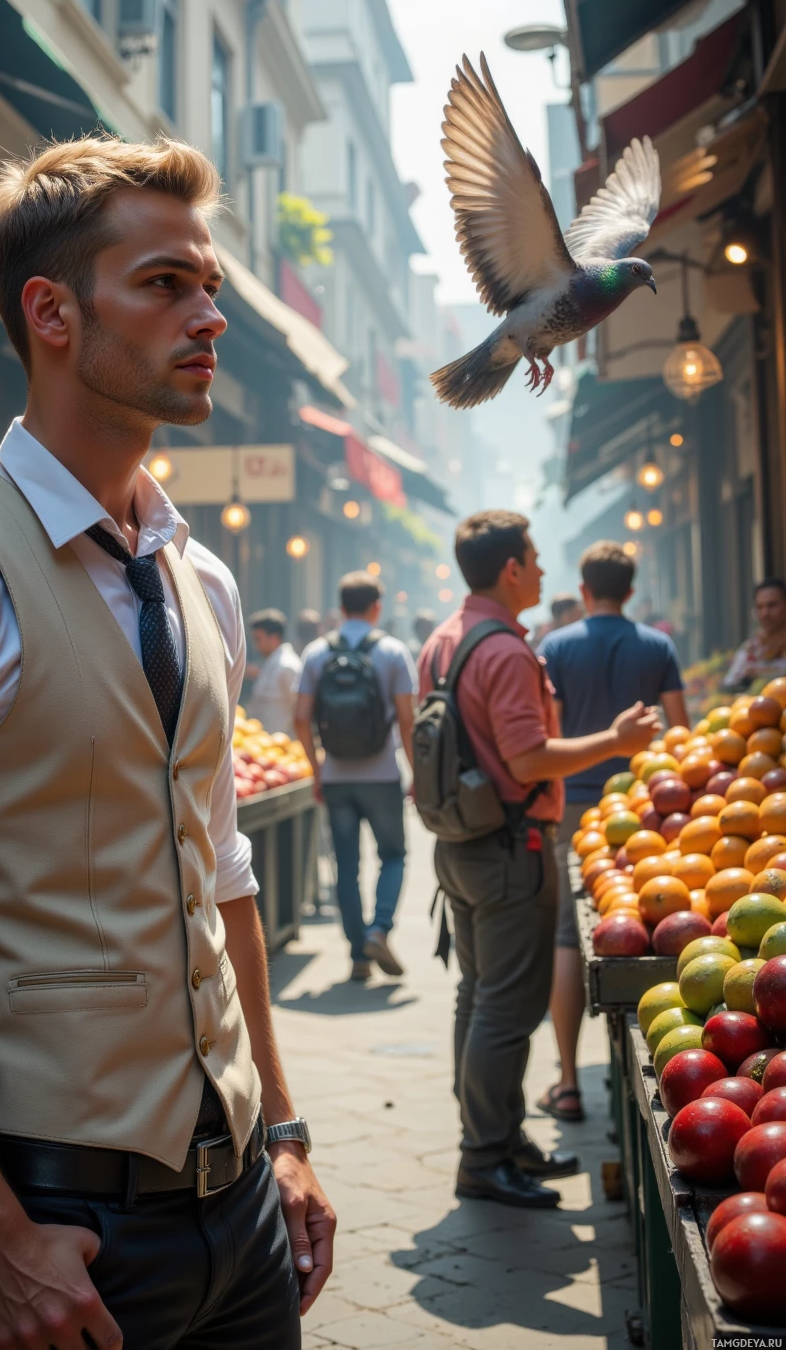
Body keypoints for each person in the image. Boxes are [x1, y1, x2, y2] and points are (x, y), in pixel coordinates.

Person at [0, 135, 334, 1350]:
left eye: (209, 285)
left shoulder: (199, 575)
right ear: (50, 311)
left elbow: (225, 874)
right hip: (61, 1231)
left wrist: (285, 1136)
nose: (208, 316)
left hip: (242, 1210)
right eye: (163, 284)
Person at [417, 512, 660, 1208]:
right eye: (535, 556)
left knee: (478, 994)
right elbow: (526, 758)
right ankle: (486, 1155)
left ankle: (496, 1137)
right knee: (506, 1006)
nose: (546, 569)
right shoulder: (506, 651)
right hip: (510, 847)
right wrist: (614, 740)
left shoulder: (444, 638)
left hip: (461, 843)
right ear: (511, 569)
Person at [538, 541, 687, 1123]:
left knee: (567, 939)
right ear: (630, 588)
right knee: (651, 928)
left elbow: (548, 734)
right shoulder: (657, 645)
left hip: (572, 808)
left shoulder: (554, 646)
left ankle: (569, 1082)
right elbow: (680, 731)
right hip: (644, 809)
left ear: (583, 589)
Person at [294, 573, 417, 983]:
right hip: (382, 776)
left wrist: (317, 769)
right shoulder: (393, 652)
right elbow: (406, 719)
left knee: (345, 867)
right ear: (376, 607)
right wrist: (416, 772)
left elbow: (300, 718)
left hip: (336, 777)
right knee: (394, 855)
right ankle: (379, 929)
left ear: (341, 606)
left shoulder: (315, 653)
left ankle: (357, 954)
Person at [246, 609, 301, 735]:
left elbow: (301, 712)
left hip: (286, 748)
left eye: (258, 639)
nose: (255, 646)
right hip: (265, 746)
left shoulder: (288, 666)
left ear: (274, 638)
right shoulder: (271, 664)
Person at [724, 579, 786, 690]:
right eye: (760, 607)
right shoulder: (750, 648)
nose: (765, 613)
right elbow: (730, 684)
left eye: (772, 605)